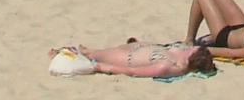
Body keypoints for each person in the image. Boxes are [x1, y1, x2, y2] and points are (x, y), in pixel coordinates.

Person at [48, 42, 215, 79]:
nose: (191, 47)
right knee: (95, 51)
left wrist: (107, 68)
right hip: (137, 49)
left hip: (127, 59)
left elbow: (134, 71)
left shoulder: (170, 66)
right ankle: (82, 51)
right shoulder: (180, 54)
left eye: (194, 49)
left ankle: (62, 53)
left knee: (92, 54)